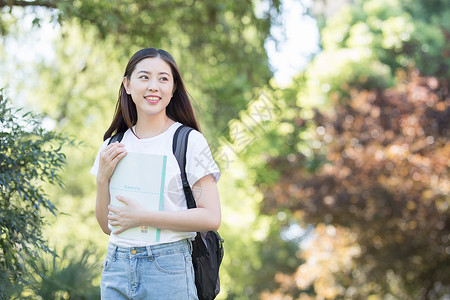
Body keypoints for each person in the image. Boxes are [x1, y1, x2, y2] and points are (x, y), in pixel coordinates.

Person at [90, 48, 221, 299]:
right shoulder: (111, 145)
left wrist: (144, 217)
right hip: (116, 264)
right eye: (144, 77)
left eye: (163, 79)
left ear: (173, 90)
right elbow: (107, 227)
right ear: (127, 84)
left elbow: (211, 216)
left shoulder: (189, 141)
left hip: (168, 266)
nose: (154, 86)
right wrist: (102, 179)